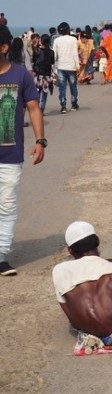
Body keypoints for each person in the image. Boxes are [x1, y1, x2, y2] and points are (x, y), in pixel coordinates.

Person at [0, 25, 46, 276]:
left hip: (9, 155)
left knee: (6, 205)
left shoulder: (20, 76)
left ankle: (1, 255)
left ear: (4, 48)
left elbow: (33, 107)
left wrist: (41, 141)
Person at [53, 22, 80, 114]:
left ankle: (63, 106)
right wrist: (77, 65)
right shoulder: (73, 39)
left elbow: (54, 55)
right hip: (71, 67)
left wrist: (53, 66)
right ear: (68, 29)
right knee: (73, 86)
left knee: (62, 87)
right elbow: (75, 53)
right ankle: (74, 104)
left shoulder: (56, 40)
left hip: (61, 67)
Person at [33, 34, 55, 113]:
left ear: (41, 41)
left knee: (37, 92)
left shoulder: (37, 51)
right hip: (47, 75)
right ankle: (42, 109)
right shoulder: (51, 52)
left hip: (38, 74)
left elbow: (34, 61)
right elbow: (52, 62)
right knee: (44, 93)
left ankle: (36, 109)